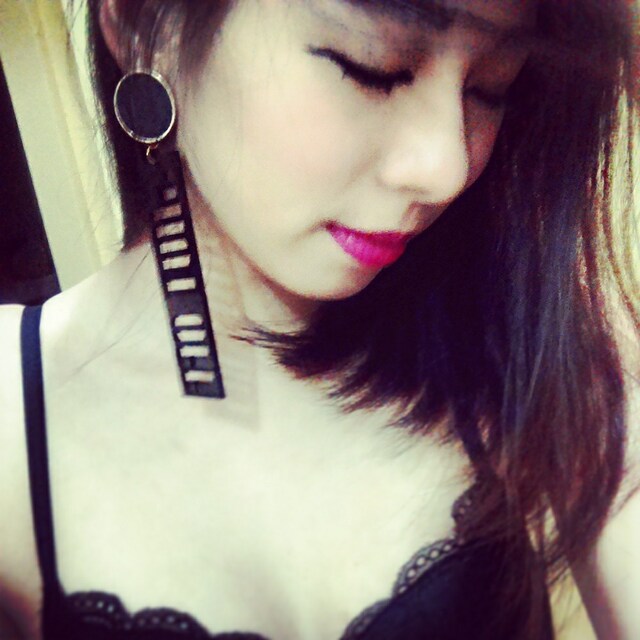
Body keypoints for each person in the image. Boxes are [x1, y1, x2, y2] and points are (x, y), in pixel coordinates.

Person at [0, 0, 638, 638]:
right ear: (148, 26)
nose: (446, 169)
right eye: (373, 66)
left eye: (491, 88)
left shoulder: (518, 332)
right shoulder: (14, 418)